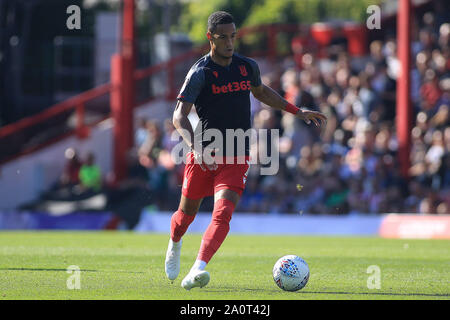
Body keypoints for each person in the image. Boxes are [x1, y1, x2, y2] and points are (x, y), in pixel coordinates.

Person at [165, 11, 327, 290]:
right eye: (223, 37)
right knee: (185, 216)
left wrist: (297, 111)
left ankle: (198, 269)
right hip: (204, 154)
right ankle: (175, 242)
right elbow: (179, 116)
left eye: (233, 36)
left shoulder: (247, 66)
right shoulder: (200, 73)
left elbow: (262, 92)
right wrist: (195, 147)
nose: (230, 43)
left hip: (238, 155)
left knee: (223, 213)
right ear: (210, 38)